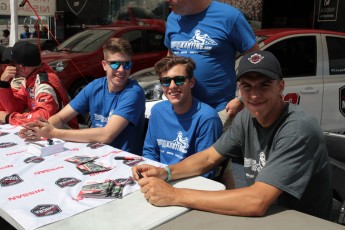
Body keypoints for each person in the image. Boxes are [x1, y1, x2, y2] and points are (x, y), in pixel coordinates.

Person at [132, 50, 332, 220]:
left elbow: (257, 201)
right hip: (266, 213)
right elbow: (209, 157)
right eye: (247, 86)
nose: (254, 95)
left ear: (280, 86)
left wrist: (173, 195)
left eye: (264, 85)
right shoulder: (246, 117)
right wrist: (165, 172)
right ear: (239, 89)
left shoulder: (296, 129)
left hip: (299, 220)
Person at [19, 38, 146, 155]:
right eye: (115, 64)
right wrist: (39, 129)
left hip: (123, 161)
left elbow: (107, 135)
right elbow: (61, 117)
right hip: (98, 153)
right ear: (104, 65)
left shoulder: (133, 93)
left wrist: (53, 133)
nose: (121, 69)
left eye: (127, 64)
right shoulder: (95, 86)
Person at [164, 0, 259, 126]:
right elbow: (170, 57)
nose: (166, 1)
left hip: (220, 112)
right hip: (181, 112)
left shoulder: (229, 16)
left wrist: (241, 98)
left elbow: (255, 59)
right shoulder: (173, 18)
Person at [143, 56, 222, 179]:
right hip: (159, 178)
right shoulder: (157, 111)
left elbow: (206, 169)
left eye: (179, 80)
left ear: (191, 82)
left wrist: (166, 177)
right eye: (166, 81)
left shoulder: (207, 118)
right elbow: (150, 151)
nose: (172, 86)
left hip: (189, 182)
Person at [0, 41, 78, 128]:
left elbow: (43, 117)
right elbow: (16, 108)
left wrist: (9, 118)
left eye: (13, 63)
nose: (10, 66)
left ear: (21, 67)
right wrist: (3, 84)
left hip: (63, 135)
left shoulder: (43, 84)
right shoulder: (31, 77)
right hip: (48, 133)